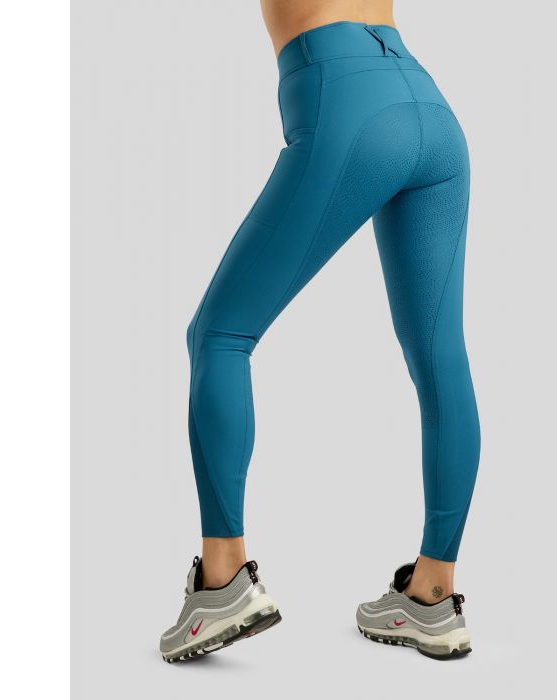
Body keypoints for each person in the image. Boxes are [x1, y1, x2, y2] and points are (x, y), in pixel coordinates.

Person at [160, 0, 480, 663]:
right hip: (429, 104)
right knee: (440, 359)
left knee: (220, 335)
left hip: (347, 98)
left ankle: (221, 581)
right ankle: (433, 597)